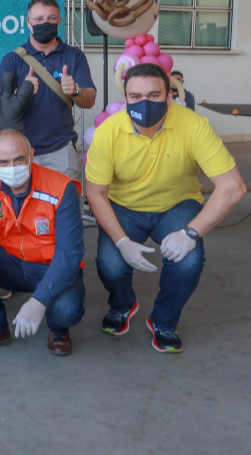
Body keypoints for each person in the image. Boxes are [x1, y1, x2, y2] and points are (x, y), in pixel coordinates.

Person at [86, 63, 244, 353]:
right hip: (124, 206)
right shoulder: (109, 131)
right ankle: (122, 304)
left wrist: (191, 233)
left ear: (169, 96)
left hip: (177, 204)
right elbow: (95, 192)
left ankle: (164, 320)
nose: (144, 102)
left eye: (154, 94)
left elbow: (233, 187)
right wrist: (122, 242)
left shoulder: (194, 125)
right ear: (126, 98)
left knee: (188, 262)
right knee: (110, 264)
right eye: (135, 96)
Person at [0, 129, 86, 356]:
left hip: (51, 266)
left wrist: (39, 302)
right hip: (10, 262)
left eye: (19, 159)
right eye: (3, 162)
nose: (12, 167)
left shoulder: (61, 187)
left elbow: (69, 254)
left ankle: (57, 329)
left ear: (31, 154)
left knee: (68, 310)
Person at [0, 0, 96, 181]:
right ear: (28, 22)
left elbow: (90, 99)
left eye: (51, 18)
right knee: (23, 209)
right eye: (39, 19)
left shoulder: (74, 56)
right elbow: (0, 109)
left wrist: (76, 90)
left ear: (59, 21)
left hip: (61, 150)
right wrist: (20, 95)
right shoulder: (12, 59)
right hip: (20, 151)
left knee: (63, 207)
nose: (45, 23)